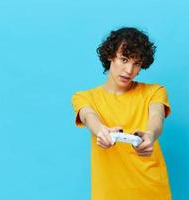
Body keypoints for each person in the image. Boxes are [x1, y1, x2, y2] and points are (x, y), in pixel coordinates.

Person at [71, 27, 172, 200]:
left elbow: (157, 116)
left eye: (137, 63)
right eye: (124, 59)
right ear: (110, 56)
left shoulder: (155, 91)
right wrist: (100, 131)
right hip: (109, 193)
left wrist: (150, 135)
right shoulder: (84, 97)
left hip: (152, 190)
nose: (129, 70)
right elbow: (88, 116)